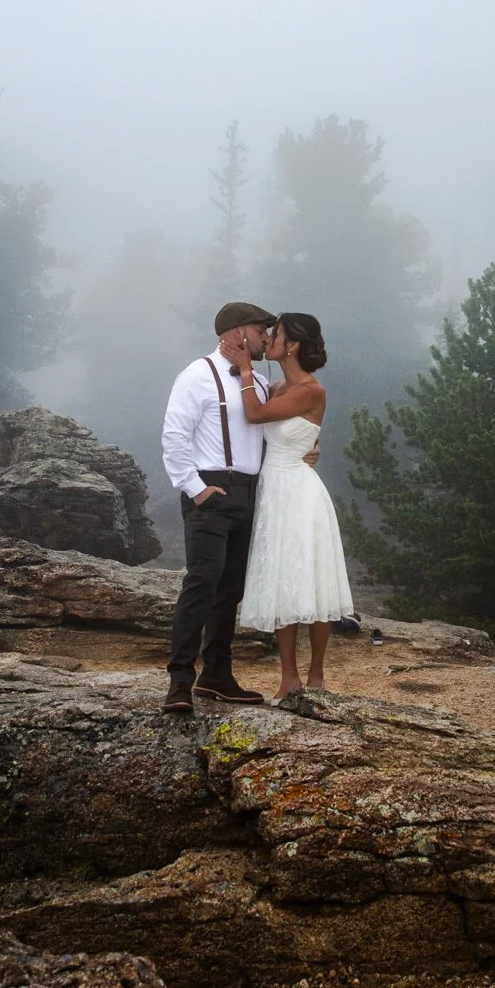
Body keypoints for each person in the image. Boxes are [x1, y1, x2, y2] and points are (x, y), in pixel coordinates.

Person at [159, 301, 315, 712]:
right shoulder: (195, 376)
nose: (267, 337)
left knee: (230, 590)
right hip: (211, 492)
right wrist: (196, 489)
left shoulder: (259, 386)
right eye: (261, 329)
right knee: (202, 582)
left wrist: (307, 450)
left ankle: (217, 675)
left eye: (269, 330)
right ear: (234, 333)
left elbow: (274, 434)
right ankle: (179, 681)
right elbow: (174, 438)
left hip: (251, 493)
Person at [223, 312, 355, 702]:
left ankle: (316, 674)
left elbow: (255, 415)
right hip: (273, 490)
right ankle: (288, 677)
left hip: (300, 493)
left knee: (311, 580)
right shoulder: (276, 385)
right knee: (283, 580)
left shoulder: (312, 390)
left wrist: (245, 370)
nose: (269, 340)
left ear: (292, 344)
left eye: (275, 334)